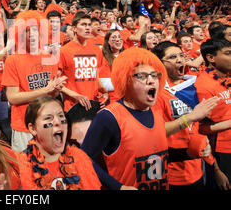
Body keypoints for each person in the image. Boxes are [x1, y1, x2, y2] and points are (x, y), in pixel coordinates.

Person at [81, 47, 170, 189]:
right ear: (126, 80)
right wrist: (119, 187)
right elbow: (83, 160)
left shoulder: (157, 111)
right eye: (142, 76)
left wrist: (189, 153)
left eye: (154, 75)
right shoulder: (108, 117)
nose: (151, 81)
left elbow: (155, 157)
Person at [151, 41, 219, 190]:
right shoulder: (156, 92)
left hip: (197, 167)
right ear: (159, 63)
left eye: (181, 55)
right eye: (173, 57)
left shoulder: (193, 86)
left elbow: (200, 126)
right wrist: (191, 117)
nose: (180, 60)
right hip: (171, 172)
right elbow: (156, 131)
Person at [2, 10, 67, 152]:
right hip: (24, 126)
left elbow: (51, 95)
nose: (31, 34)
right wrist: (45, 90)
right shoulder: (13, 60)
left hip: (47, 124)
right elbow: (12, 97)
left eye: (35, 30)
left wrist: (55, 90)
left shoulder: (49, 58)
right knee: (24, 169)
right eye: (26, 30)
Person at [17, 96, 102, 190]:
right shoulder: (21, 164)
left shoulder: (79, 157)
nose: (58, 122)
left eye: (61, 116)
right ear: (33, 128)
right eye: (48, 118)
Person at [195, 38, 231, 189]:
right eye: (228, 53)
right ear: (211, 58)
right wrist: (216, 168)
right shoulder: (203, 85)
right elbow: (200, 129)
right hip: (223, 151)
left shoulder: (227, 76)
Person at [59, 12, 107, 111]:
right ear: (74, 28)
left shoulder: (97, 50)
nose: (88, 28)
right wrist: (76, 95)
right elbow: (56, 83)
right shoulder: (63, 51)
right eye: (83, 25)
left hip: (94, 104)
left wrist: (104, 92)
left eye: (89, 25)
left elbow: (95, 76)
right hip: (73, 106)